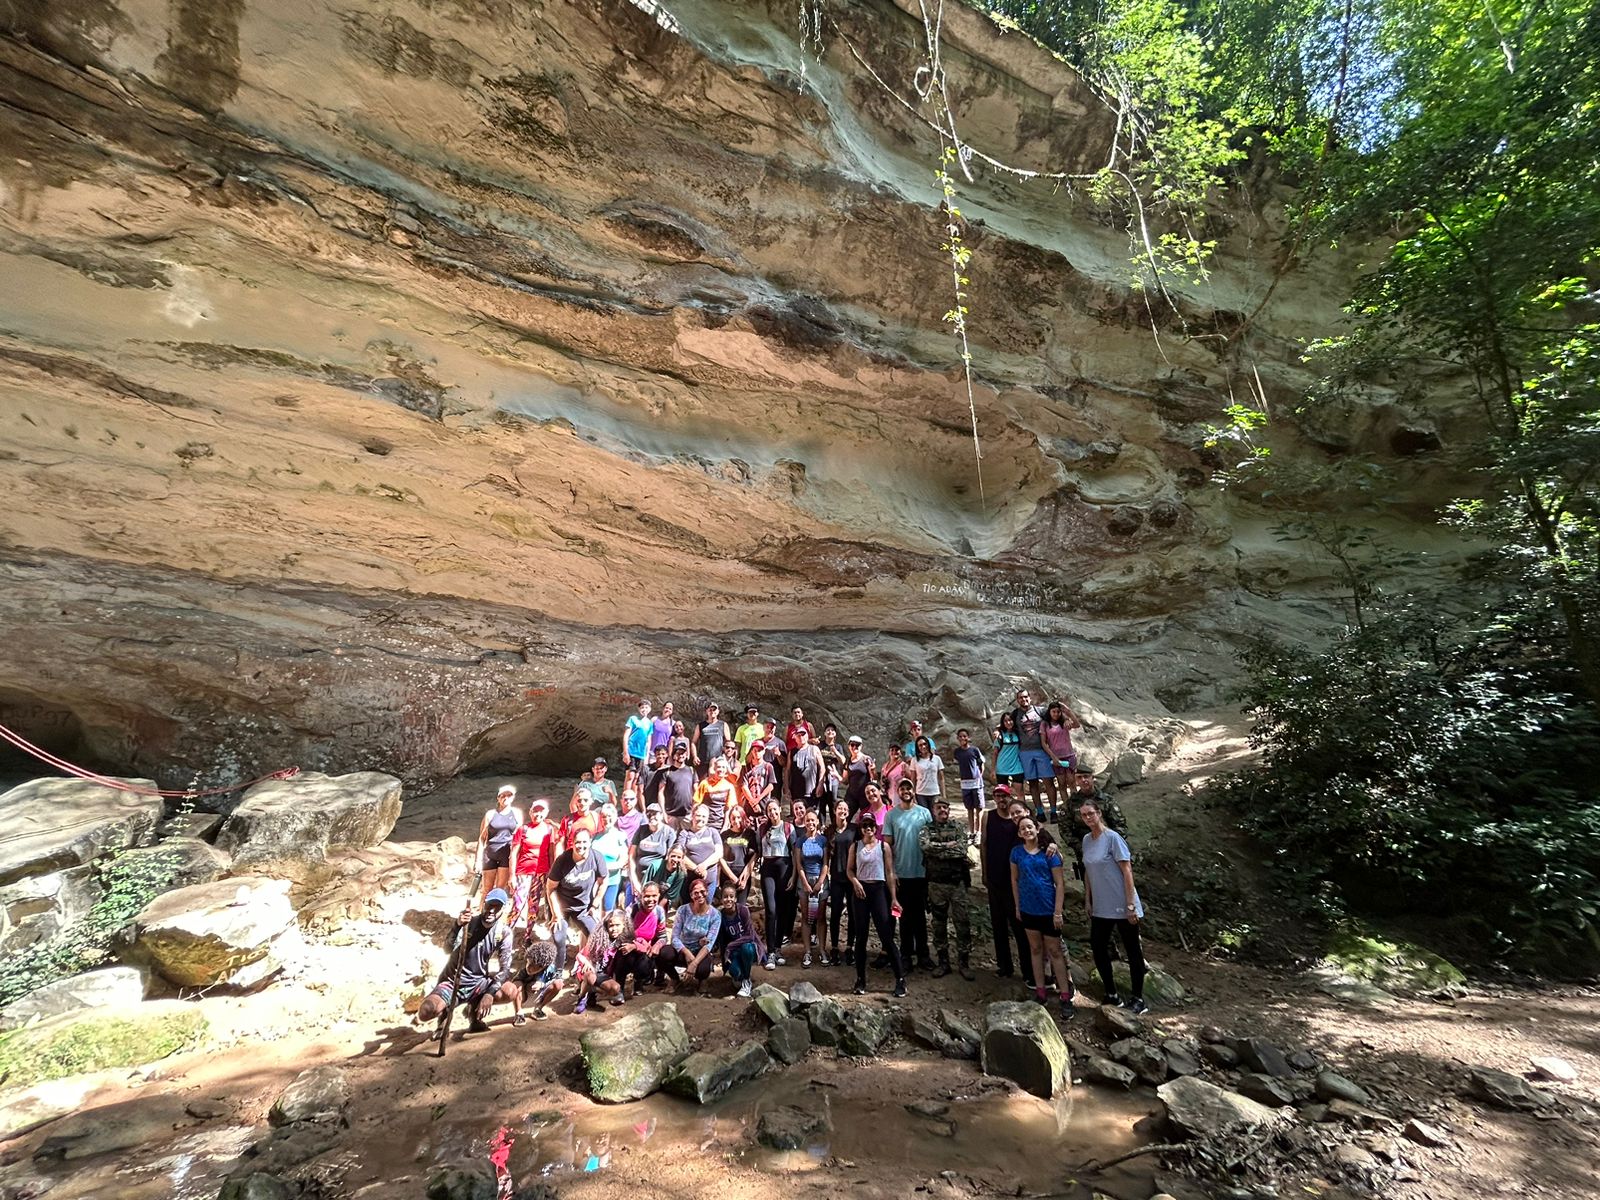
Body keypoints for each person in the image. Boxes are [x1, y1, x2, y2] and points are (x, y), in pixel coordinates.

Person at [1080, 798, 1148, 1012]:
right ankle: (1111, 993)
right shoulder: (1086, 840)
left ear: (1099, 813)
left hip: (1122, 902)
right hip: (1101, 905)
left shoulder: (1113, 838)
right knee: (1098, 946)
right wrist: (1088, 899)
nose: (1088, 818)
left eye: (1091, 813)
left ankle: (1138, 998)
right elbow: (1088, 872)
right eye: (1084, 815)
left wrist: (1130, 905)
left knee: (1132, 950)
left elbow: (1127, 870)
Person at [419, 889, 517, 1034]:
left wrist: (489, 993)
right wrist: (457, 925)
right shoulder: (468, 923)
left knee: (510, 991)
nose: (491, 910)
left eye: (497, 907)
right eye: (489, 905)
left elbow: (505, 969)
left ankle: (473, 1012)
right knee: (425, 1012)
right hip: (452, 982)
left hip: (478, 983)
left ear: (503, 909)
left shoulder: (503, 932)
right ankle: (444, 1016)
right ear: (483, 904)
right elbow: (447, 948)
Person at [1010, 815, 1076, 1020]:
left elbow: (1060, 883)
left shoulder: (1049, 853)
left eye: (1030, 827)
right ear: (1019, 833)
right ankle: (1040, 992)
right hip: (1028, 909)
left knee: (1055, 952)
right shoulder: (1016, 853)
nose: (1027, 831)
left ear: (1036, 829)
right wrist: (1018, 906)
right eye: (1023, 829)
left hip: (1048, 910)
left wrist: (1058, 912)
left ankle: (1065, 996)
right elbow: (1015, 879)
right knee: (1036, 950)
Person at [846, 811, 906, 997]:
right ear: (861, 828)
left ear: (875, 827)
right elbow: (849, 870)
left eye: (871, 825)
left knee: (886, 936)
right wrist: (855, 882)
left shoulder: (884, 847)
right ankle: (861, 979)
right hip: (861, 892)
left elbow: (889, 873)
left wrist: (894, 898)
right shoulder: (855, 847)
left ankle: (901, 979)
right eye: (865, 825)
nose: (869, 828)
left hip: (879, 890)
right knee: (861, 937)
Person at [980, 785, 1035, 986]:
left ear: (1010, 797)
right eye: (997, 796)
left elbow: (1037, 834)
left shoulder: (1017, 821)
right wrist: (984, 873)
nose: (1001, 799)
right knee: (998, 925)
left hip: (1015, 882)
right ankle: (1005, 966)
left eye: (1004, 796)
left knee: (1019, 927)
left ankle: (1028, 971)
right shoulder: (988, 816)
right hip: (994, 879)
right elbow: (984, 844)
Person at [921, 796, 974, 979]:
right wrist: (947, 846)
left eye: (945, 807)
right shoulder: (927, 829)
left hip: (957, 883)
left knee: (962, 923)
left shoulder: (958, 827)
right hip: (936, 883)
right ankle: (943, 962)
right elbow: (925, 847)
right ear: (933, 810)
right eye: (939, 808)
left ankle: (964, 962)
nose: (942, 810)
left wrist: (940, 849)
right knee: (938, 924)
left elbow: (961, 850)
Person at [884, 778, 933, 970]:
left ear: (913, 791)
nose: (906, 791)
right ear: (898, 790)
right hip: (901, 872)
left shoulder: (924, 813)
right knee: (903, 917)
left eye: (908, 788)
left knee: (920, 916)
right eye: (902, 788)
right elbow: (888, 845)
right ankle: (906, 955)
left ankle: (923, 955)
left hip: (921, 872)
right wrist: (892, 871)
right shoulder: (892, 815)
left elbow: (931, 840)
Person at [546, 829, 606, 975]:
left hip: (583, 907)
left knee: (596, 935)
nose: (581, 845)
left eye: (584, 842)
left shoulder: (596, 857)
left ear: (590, 842)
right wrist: (556, 914)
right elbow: (550, 888)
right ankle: (557, 972)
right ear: (572, 843)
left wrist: (596, 903)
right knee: (559, 938)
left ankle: (594, 969)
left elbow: (603, 880)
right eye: (577, 842)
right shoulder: (562, 860)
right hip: (562, 906)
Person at [758, 799, 802, 969]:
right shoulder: (762, 828)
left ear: (779, 810)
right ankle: (769, 951)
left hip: (785, 868)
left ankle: (777, 949)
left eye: (775, 810)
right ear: (767, 812)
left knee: (782, 910)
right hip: (768, 868)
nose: (773, 813)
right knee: (771, 909)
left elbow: (795, 853)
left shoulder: (788, 827)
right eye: (769, 810)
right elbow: (758, 850)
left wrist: (794, 875)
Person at [660, 879, 721, 992]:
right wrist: (687, 954)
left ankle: (702, 981)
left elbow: (709, 944)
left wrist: (694, 963)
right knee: (664, 954)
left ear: (707, 892)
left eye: (702, 891)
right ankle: (674, 979)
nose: (700, 895)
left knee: (703, 969)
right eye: (696, 892)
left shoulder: (715, 915)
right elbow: (675, 938)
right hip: (683, 950)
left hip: (700, 951)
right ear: (691, 895)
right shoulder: (683, 910)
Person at [612, 881, 670, 999]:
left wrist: (657, 945)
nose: (650, 899)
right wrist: (634, 946)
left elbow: (663, 936)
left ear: (659, 896)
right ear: (641, 896)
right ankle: (619, 988)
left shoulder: (659, 912)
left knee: (644, 962)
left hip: (645, 950)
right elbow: (622, 935)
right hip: (628, 946)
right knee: (623, 956)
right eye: (647, 896)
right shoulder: (631, 911)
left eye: (654, 896)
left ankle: (639, 983)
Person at [508, 798, 555, 933]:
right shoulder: (523, 829)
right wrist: (512, 876)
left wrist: (551, 873)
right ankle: (506, 932)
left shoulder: (549, 829)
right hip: (523, 873)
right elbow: (514, 853)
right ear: (530, 812)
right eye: (535, 811)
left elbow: (550, 853)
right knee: (518, 903)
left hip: (541, 873)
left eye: (541, 812)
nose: (537, 814)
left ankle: (527, 935)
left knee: (533, 905)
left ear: (546, 813)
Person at [1010, 689, 1055, 823]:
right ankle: (1039, 811)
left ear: (1030, 698)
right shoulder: (1015, 714)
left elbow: (1055, 719)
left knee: (1048, 781)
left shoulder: (1040, 711)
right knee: (1032, 783)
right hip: (1025, 752)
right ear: (1017, 700)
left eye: (1025, 697)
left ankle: (1053, 811)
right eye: (1020, 698)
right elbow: (1006, 723)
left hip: (1042, 750)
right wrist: (997, 730)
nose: (1023, 700)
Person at [715, 884, 765, 999]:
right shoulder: (721, 915)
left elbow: (749, 936)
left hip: (750, 947)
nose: (728, 899)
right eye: (725, 897)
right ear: (721, 899)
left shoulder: (743, 910)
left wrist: (731, 946)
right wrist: (725, 965)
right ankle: (740, 976)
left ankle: (747, 980)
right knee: (734, 973)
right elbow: (722, 941)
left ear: (736, 899)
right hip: (735, 951)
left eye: (731, 896)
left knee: (746, 948)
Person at [477, 785, 523, 905]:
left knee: (500, 890)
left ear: (513, 798)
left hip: (506, 853)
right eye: (503, 795)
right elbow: (482, 838)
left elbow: (519, 837)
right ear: (498, 798)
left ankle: (495, 917)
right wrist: (478, 860)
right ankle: (482, 915)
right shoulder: (490, 814)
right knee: (486, 889)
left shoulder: (517, 813)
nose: (505, 798)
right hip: (490, 852)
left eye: (509, 795)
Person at [825, 799, 856, 965]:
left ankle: (850, 947)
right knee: (835, 914)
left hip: (852, 878)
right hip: (836, 877)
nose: (842, 811)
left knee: (853, 913)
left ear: (848, 812)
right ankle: (835, 947)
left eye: (845, 808)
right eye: (840, 808)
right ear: (835, 811)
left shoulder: (854, 829)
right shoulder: (829, 831)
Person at [797, 808, 830, 967]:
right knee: (805, 917)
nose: (810, 822)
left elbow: (825, 863)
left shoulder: (823, 840)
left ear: (817, 822)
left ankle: (823, 950)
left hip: (820, 881)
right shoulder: (800, 841)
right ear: (804, 823)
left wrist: (819, 883)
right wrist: (804, 882)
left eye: (813, 820)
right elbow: (798, 864)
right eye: (807, 820)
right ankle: (808, 952)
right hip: (804, 881)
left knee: (821, 917)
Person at [1040, 700, 1082, 821]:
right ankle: (1068, 808)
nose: (1056, 714)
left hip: (1069, 755)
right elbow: (1043, 743)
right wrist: (1053, 757)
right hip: (1056, 757)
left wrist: (1067, 711)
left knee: (1072, 782)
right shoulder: (1045, 724)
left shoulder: (1065, 722)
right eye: (1054, 711)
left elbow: (1077, 724)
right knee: (1062, 784)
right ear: (1049, 712)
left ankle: (1076, 807)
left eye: (1058, 711)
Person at [677, 803, 724, 895]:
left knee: (706, 908)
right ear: (692, 816)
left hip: (709, 882)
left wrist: (704, 865)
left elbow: (719, 853)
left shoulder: (713, 832)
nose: (701, 819)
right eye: (698, 815)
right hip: (689, 882)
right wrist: (696, 869)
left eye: (704, 816)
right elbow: (679, 854)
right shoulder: (684, 833)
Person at [629, 802, 675, 893]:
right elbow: (631, 856)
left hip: (657, 878)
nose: (651, 816)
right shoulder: (641, 830)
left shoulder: (669, 832)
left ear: (661, 815)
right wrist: (634, 881)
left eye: (655, 813)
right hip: (638, 875)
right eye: (649, 813)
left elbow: (669, 857)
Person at [592, 803, 630, 912]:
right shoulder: (595, 836)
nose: (606, 819)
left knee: (607, 911)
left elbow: (623, 861)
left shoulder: (620, 836)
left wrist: (604, 868)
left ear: (615, 818)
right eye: (604, 816)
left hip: (612, 879)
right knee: (593, 910)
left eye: (609, 816)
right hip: (595, 881)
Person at [649, 742, 697, 827]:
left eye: (683, 753)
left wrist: (694, 810)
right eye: (678, 753)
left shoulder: (691, 770)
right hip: (670, 815)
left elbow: (696, 792)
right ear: (674, 756)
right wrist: (663, 812)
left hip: (687, 815)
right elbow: (661, 792)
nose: (681, 756)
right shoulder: (667, 772)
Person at [952, 728, 986, 841]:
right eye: (960, 736)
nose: (962, 738)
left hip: (976, 783)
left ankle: (979, 832)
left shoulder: (974, 750)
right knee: (969, 808)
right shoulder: (957, 752)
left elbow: (981, 764)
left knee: (979, 807)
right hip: (965, 784)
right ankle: (971, 832)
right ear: (957, 738)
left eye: (964, 736)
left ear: (968, 737)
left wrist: (979, 776)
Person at [720, 803, 756, 904]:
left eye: (739, 817)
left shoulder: (750, 833)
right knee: (728, 907)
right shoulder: (724, 835)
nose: (736, 821)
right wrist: (732, 877)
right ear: (730, 820)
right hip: (727, 875)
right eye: (733, 818)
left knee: (740, 907)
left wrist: (745, 876)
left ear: (743, 817)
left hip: (743, 875)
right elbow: (720, 858)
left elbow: (754, 856)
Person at [694, 755, 738, 830]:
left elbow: (729, 809)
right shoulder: (705, 783)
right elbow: (696, 803)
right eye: (719, 767)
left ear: (726, 770)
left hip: (720, 824)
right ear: (714, 768)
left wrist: (725, 825)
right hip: (705, 823)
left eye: (723, 767)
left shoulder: (729, 786)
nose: (721, 769)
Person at [787, 725, 825, 810]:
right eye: (798, 735)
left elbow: (822, 767)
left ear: (807, 735)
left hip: (812, 791)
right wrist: (786, 787)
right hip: (796, 791)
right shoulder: (792, 752)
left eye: (803, 734)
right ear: (795, 737)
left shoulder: (814, 749)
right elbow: (788, 770)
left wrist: (820, 784)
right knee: (798, 815)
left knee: (812, 816)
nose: (801, 737)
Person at [737, 741, 776, 821]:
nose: (757, 752)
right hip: (749, 805)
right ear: (751, 751)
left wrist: (758, 799)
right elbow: (744, 786)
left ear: (764, 751)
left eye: (760, 750)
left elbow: (771, 785)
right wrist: (753, 802)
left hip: (764, 803)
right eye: (755, 750)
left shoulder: (768, 767)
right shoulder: (746, 768)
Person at [692, 702, 731, 779]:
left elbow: (728, 743)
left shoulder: (723, 725)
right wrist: (695, 756)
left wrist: (727, 758)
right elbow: (693, 742)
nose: (712, 711)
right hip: (703, 761)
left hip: (718, 762)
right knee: (702, 785)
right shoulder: (700, 726)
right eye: (710, 710)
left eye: (714, 709)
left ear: (718, 711)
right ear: (707, 711)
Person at [842, 735, 875, 816]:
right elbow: (845, 781)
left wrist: (873, 770)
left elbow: (873, 778)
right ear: (849, 746)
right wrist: (836, 775)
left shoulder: (866, 759)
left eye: (857, 745)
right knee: (845, 816)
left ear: (861, 746)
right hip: (851, 795)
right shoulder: (848, 761)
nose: (854, 747)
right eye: (852, 745)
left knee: (866, 818)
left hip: (864, 796)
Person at [910, 735, 945, 811]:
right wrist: (913, 795)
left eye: (924, 744)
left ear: (928, 745)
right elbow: (913, 779)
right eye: (920, 745)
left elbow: (941, 778)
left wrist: (943, 795)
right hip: (921, 793)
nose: (923, 747)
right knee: (924, 817)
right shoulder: (914, 760)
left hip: (934, 792)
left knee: (935, 816)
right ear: (917, 748)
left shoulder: (937, 759)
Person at [992, 711, 1024, 795]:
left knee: (1020, 792)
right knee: (1003, 793)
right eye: (1005, 721)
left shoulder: (1018, 733)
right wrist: (993, 769)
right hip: (1002, 768)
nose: (1008, 722)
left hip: (1016, 766)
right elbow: (995, 753)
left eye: (1010, 720)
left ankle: (1021, 808)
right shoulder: (1000, 736)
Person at [818, 725, 846, 809]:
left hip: (833, 776)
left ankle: (834, 821)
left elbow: (843, 761)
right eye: (828, 730)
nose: (830, 731)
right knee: (822, 799)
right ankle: (822, 822)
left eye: (832, 730)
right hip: (821, 776)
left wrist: (835, 752)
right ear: (824, 733)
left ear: (835, 734)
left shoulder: (838, 747)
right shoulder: (820, 745)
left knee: (833, 799)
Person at [623, 701, 653, 774]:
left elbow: (648, 740)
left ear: (649, 709)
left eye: (646, 707)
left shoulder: (650, 723)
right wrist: (625, 752)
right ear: (639, 709)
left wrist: (647, 755)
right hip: (631, 750)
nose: (644, 709)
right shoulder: (633, 719)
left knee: (637, 777)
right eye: (642, 707)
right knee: (630, 775)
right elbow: (626, 735)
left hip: (642, 753)